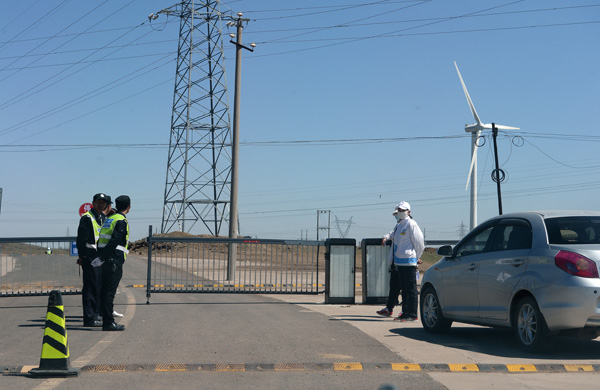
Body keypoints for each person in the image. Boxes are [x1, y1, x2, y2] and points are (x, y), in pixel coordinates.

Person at [377, 201, 424, 322]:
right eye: (399, 210)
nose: (400, 212)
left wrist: (416, 257)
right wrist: (385, 237)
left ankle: (412, 314)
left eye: (403, 210)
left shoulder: (411, 224)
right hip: (400, 262)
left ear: (409, 211)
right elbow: (393, 235)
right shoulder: (400, 225)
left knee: (410, 289)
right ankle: (405, 312)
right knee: (404, 289)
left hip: (409, 262)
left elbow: (419, 243)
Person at [76, 193, 111, 327]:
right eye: (98, 202)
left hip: (100, 257)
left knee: (99, 287)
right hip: (90, 257)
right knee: (90, 288)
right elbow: (81, 239)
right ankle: (89, 318)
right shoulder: (87, 218)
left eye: (103, 202)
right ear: (93, 203)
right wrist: (82, 257)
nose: (101, 204)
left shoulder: (103, 217)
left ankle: (97, 314)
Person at [97, 195, 131, 331]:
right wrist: (103, 257)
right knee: (109, 292)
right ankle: (108, 322)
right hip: (113, 259)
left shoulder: (110, 218)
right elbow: (114, 241)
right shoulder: (121, 220)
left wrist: (100, 257)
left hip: (107, 259)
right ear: (129, 207)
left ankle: (107, 320)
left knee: (105, 291)